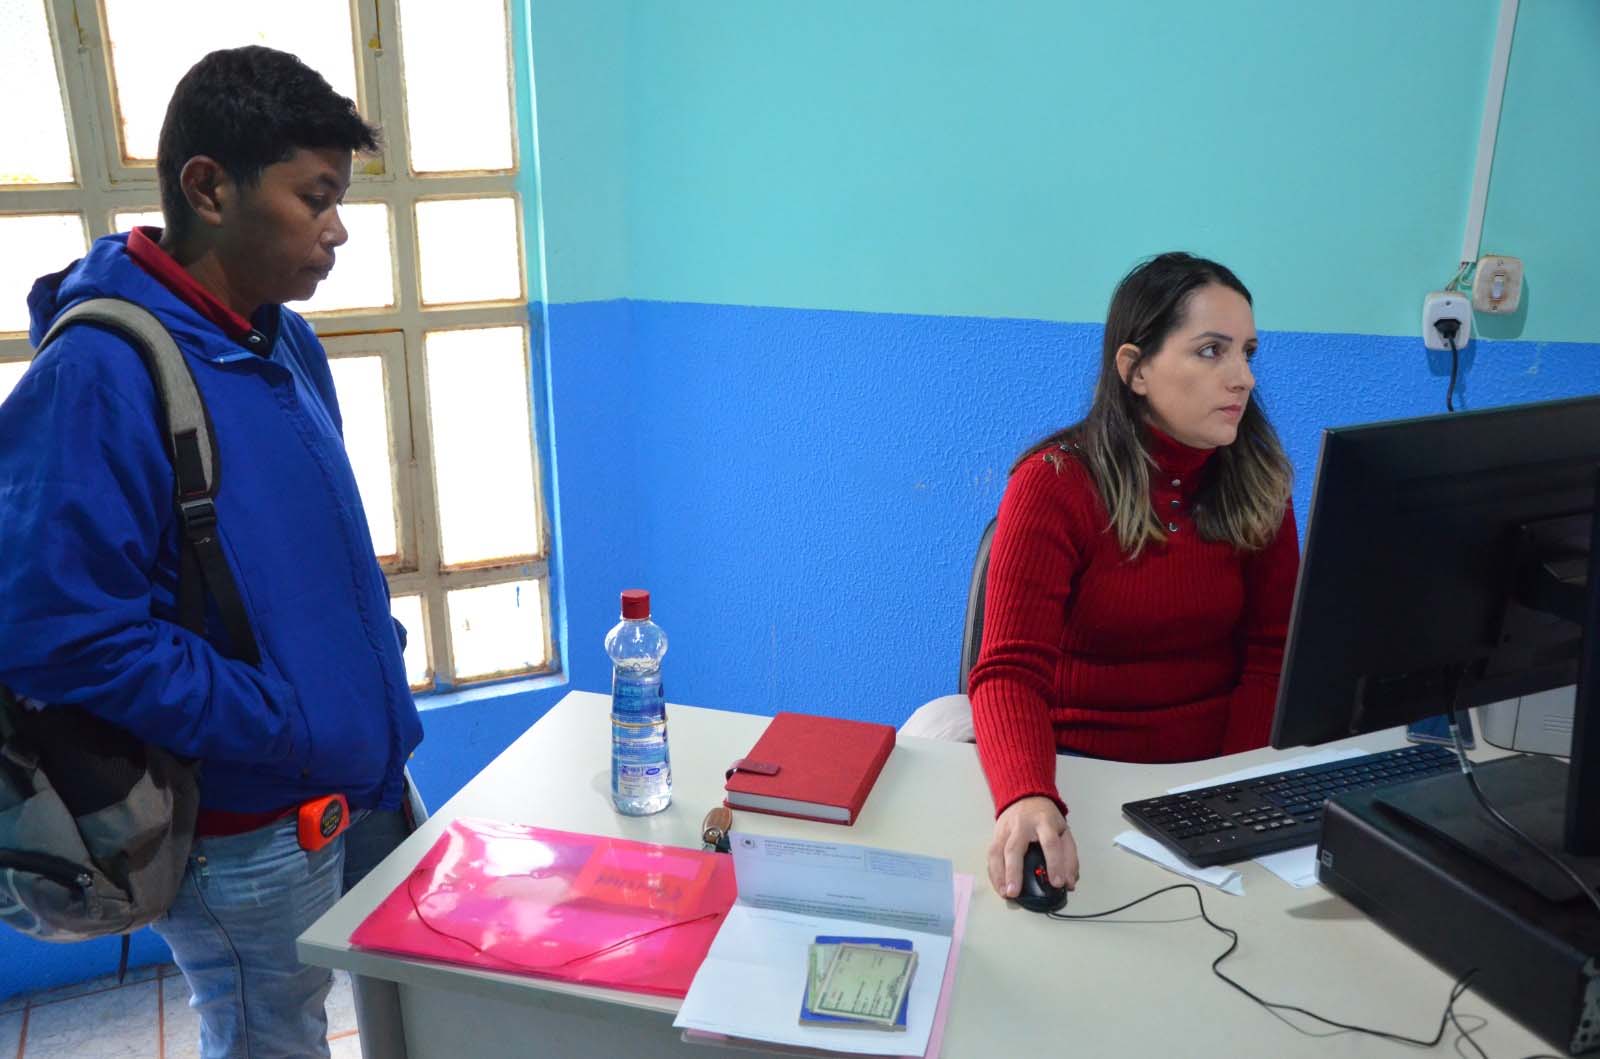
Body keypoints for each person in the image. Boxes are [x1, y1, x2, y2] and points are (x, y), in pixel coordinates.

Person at [0, 47, 419, 1057]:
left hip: (365, 778)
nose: (338, 228)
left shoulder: (281, 339)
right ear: (209, 187)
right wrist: (278, 719)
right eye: (315, 197)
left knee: (417, 1010)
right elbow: (57, 635)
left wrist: (366, 676)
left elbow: (301, 557)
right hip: (249, 825)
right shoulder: (99, 373)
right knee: (271, 1039)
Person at [908, 253, 1299, 901]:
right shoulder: (1055, 483)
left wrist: (1231, 788)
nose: (1243, 378)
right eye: (1211, 351)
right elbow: (1008, 671)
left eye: (1247, 352)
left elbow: (1273, 656)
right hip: (1076, 773)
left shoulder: (1259, 481)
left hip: (1209, 777)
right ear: (1135, 368)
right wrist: (1028, 793)